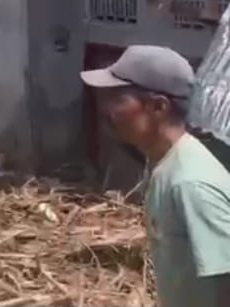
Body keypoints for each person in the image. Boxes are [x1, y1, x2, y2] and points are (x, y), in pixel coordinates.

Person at [81, 45, 230, 307]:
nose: (108, 111)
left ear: (158, 107)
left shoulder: (190, 185)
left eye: (118, 99)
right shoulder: (165, 165)